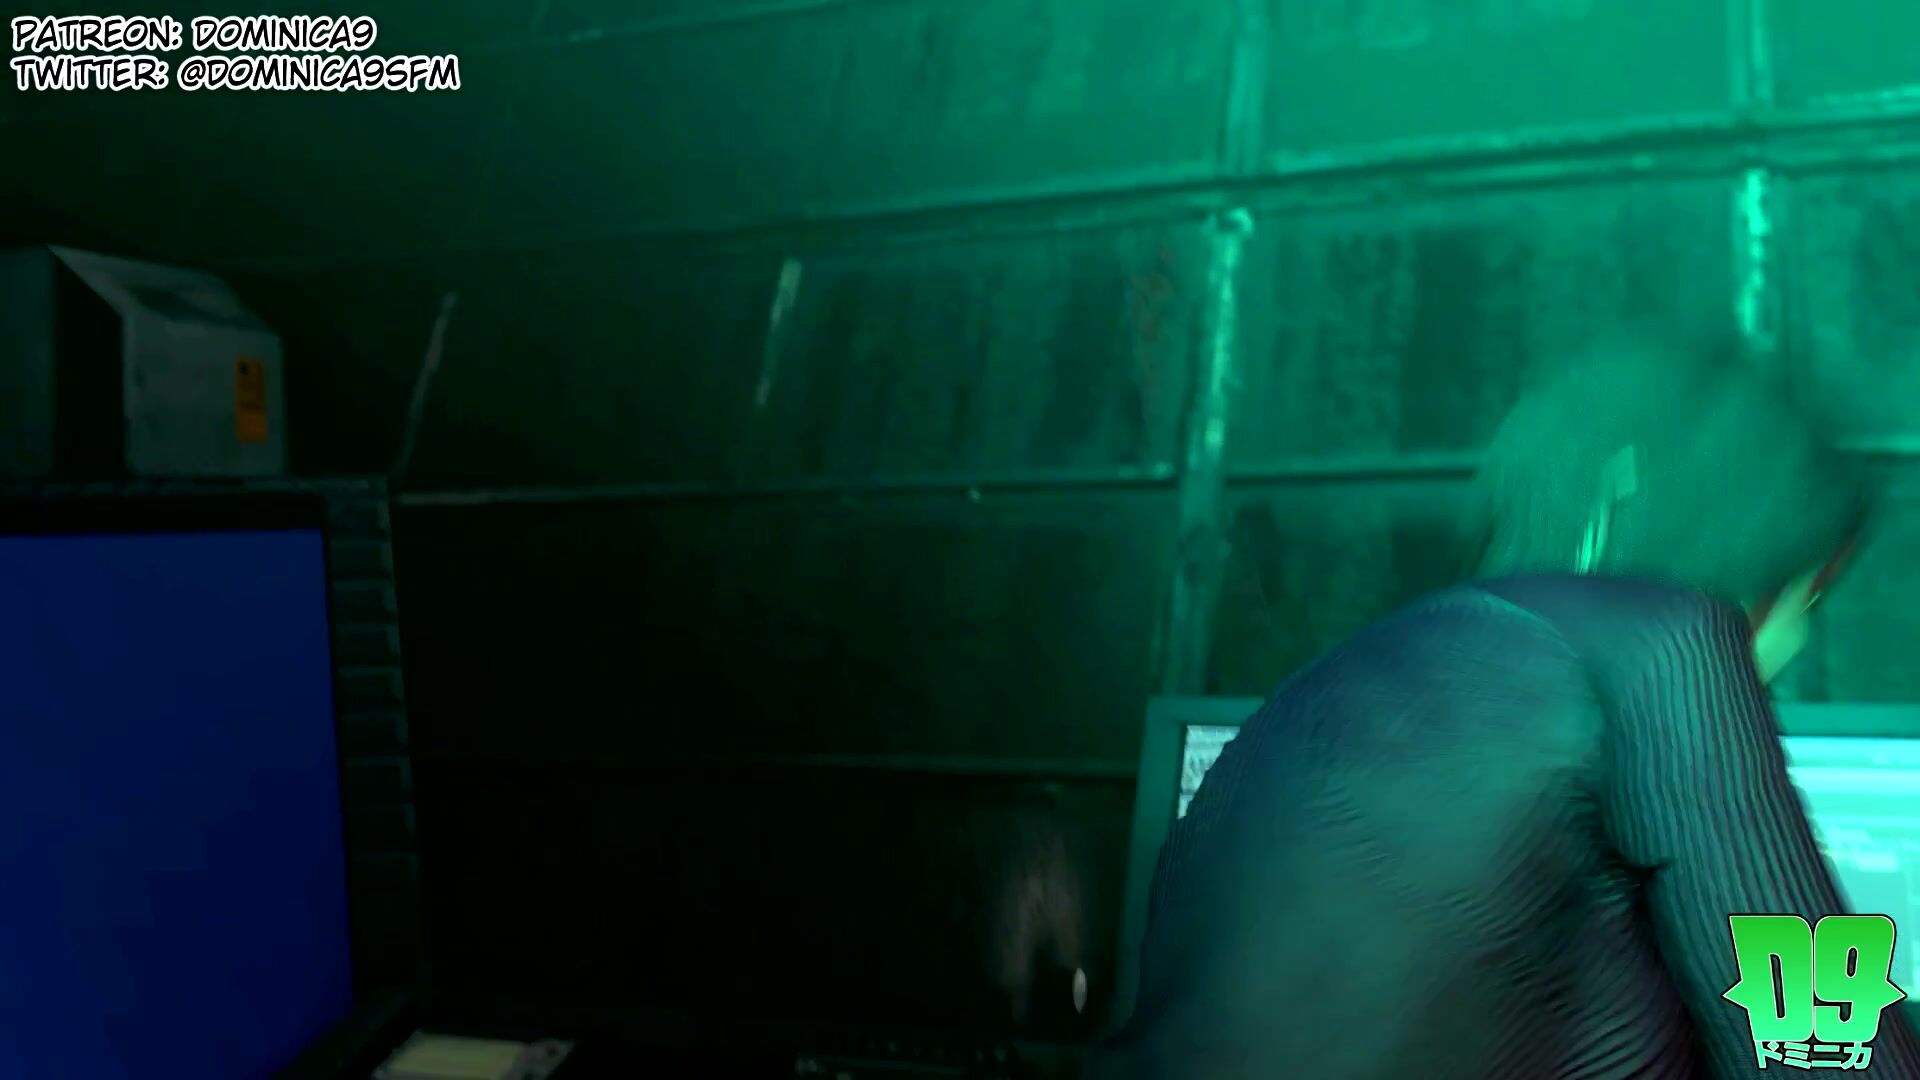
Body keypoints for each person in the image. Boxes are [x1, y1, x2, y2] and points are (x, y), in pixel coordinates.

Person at [1086, 341, 1919, 1078]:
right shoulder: (1666, 635)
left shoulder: (1329, 683)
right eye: (1809, 592)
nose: (1799, 633)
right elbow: (1823, 1048)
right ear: (1742, 536)